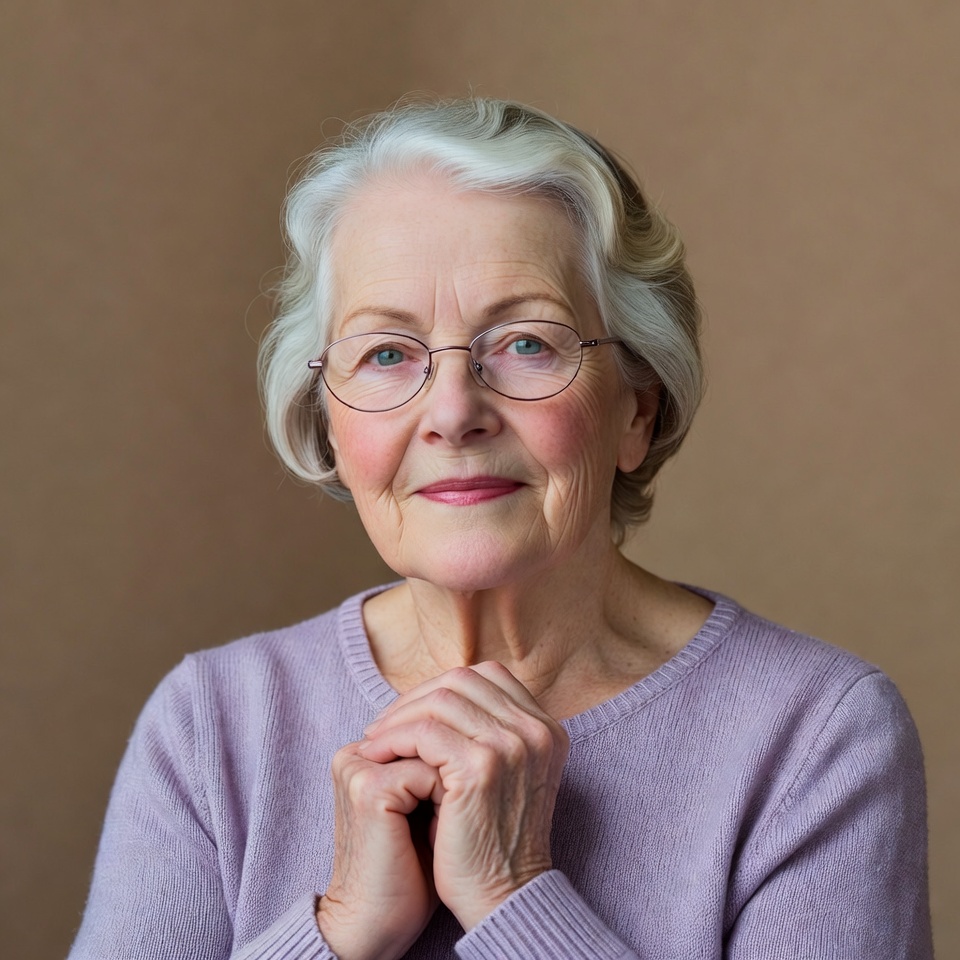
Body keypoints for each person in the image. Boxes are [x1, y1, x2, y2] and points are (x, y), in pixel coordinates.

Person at [69, 97, 932, 960]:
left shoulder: (816, 733)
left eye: (526, 344)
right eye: (385, 354)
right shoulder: (214, 720)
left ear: (637, 407)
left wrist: (513, 899)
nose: (452, 413)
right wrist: (337, 933)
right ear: (330, 421)